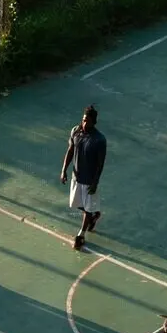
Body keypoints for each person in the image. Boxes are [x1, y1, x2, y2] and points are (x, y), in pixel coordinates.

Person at [60, 104, 107, 251]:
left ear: (94, 122)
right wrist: (64, 170)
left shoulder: (99, 140)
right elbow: (70, 150)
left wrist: (95, 182)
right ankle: (94, 216)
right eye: (83, 119)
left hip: (89, 181)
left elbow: (100, 164)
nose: (84, 123)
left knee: (87, 208)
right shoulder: (76, 131)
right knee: (79, 204)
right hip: (76, 177)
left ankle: (81, 235)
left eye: (88, 121)